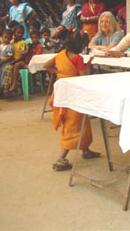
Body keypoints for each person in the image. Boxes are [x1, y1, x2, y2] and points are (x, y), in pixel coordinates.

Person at [44, 30, 100, 171]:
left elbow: (46, 66)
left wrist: (60, 74)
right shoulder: (78, 59)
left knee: (82, 121)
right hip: (74, 95)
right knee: (73, 125)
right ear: (80, 45)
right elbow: (84, 78)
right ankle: (60, 158)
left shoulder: (61, 55)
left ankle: (85, 150)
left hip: (62, 93)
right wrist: (89, 65)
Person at [3, 25, 28, 92]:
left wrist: (14, 61)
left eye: (21, 33)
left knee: (16, 65)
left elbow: (23, 56)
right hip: (12, 61)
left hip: (21, 61)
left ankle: (14, 83)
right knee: (6, 68)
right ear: (14, 33)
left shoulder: (23, 43)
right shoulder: (11, 42)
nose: (20, 34)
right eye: (18, 33)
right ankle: (6, 87)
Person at [0, 29, 14, 99]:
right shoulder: (0, 46)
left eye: (8, 38)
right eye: (5, 37)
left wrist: (3, 61)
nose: (6, 39)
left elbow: (10, 57)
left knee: (3, 78)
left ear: (11, 39)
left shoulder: (9, 47)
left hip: (5, 64)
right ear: (2, 37)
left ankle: (0, 93)